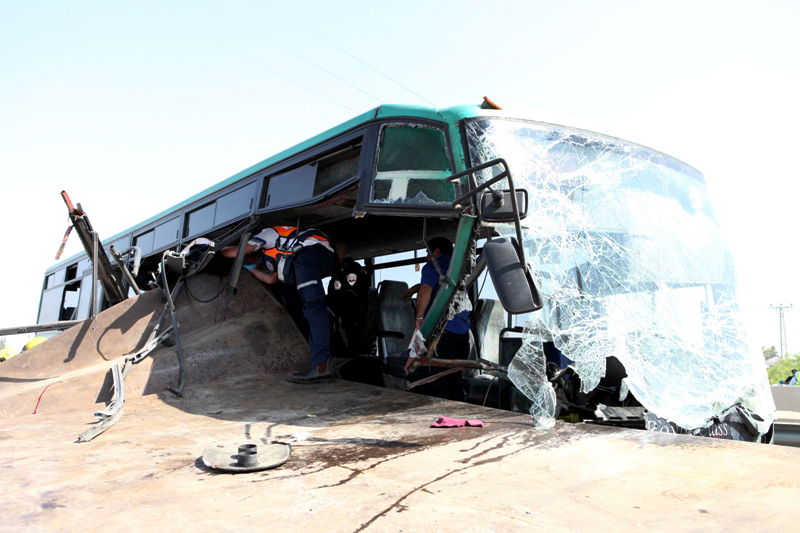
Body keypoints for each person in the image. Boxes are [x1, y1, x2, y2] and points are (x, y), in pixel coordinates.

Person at [221, 225, 338, 383]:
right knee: (306, 307)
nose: (254, 261)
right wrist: (250, 268)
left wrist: (217, 248)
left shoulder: (268, 233)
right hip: (315, 259)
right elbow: (271, 279)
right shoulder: (273, 256)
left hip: (311, 253)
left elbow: (234, 252)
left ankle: (322, 367)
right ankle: (323, 362)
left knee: (314, 308)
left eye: (251, 258)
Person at [403, 236, 470, 401]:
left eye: (428, 252)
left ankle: (437, 415)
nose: (427, 257)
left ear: (437, 251)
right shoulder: (460, 267)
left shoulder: (434, 265)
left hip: (442, 334)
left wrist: (419, 319)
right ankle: (459, 414)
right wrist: (415, 288)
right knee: (454, 378)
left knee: (435, 381)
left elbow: (426, 289)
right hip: (462, 334)